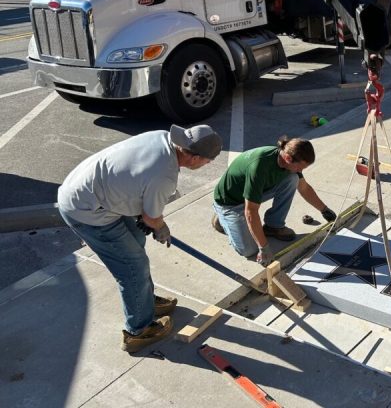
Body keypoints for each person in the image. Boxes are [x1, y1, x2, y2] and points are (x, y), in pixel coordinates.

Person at [58, 124, 223, 353]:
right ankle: (138, 331)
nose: (208, 164)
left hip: (94, 193)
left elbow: (136, 179)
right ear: (194, 158)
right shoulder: (164, 176)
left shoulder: (161, 137)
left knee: (137, 240)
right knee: (133, 267)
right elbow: (151, 217)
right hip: (87, 212)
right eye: (208, 161)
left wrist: (147, 218)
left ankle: (144, 301)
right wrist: (160, 227)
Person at [211, 136, 336, 266]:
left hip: (252, 194)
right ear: (288, 158)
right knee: (249, 250)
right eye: (300, 167)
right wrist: (263, 248)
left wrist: (324, 210)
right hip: (230, 202)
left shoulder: (287, 161)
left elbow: (304, 188)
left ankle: (273, 226)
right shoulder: (259, 167)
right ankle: (222, 219)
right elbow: (251, 211)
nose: (301, 171)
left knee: (293, 179)